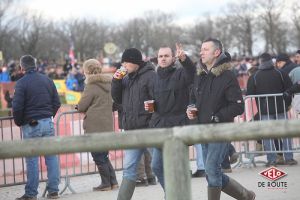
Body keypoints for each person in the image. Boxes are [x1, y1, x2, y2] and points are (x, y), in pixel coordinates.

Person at [187, 38, 255, 200]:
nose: (201, 52)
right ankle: (245, 195)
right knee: (212, 172)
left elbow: (238, 106)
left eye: (205, 49)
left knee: (211, 169)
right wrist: (190, 109)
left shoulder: (228, 76)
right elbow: (192, 98)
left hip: (220, 130)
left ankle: (245, 195)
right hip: (202, 130)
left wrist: (216, 117)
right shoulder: (200, 74)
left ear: (216, 52)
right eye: (201, 49)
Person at [147, 44, 196, 193]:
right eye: (160, 56)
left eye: (166, 56)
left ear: (173, 58)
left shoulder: (181, 74)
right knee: (156, 166)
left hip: (178, 126)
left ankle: (176, 195)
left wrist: (185, 59)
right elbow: (152, 100)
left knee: (176, 167)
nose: (163, 58)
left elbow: (192, 72)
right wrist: (151, 107)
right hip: (159, 125)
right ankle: (171, 194)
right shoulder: (154, 78)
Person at [12, 55, 61, 200]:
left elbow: (17, 107)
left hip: (31, 124)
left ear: (22, 68)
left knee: (32, 159)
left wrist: (20, 122)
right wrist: (47, 115)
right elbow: (56, 102)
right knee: (51, 157)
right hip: (47, 122)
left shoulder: (21, 83)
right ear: (35, 65)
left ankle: (31, 193)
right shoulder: (47, 80)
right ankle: (53, 191)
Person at [111, 48, 156, 200]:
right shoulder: (125, 78)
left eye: (126, 62)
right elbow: (117, 99)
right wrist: (116, 81)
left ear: (135, 62)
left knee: (158, 166)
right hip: (131, 129)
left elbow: (157, 99)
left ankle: (174, 195)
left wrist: (152, 113)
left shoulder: (150, 76)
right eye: (122, 62)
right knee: (129, 169)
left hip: (149, 128)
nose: (123, 65)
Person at [247, 53, 297, 166]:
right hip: (281, 108)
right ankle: (289, 158)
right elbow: (289, 89)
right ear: (271, 61)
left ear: (260, 62)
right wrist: (287, 104)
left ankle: (271, 159)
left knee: (267, 134)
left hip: (265, 110)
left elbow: (249, 93)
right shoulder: (280, 73)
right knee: (285, 133)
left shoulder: (255, 76)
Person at [77, 59, 118, 191]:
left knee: (98, 155)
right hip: (107, 124)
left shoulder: (91, 85)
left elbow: (82, 105)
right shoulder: (109, 84)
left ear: (87, 71)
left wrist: (78, 106)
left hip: (94, 125)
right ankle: (113, 181)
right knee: (104, 155)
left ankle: (106, 183)